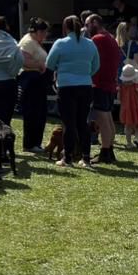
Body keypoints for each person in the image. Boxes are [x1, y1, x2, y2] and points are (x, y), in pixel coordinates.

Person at [46, 16, 99, 168]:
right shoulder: (90, 44)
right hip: (85, 85)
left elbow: (49, 63)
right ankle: (86, 158)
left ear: (65, 28)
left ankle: (68, 158)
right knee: (83, 122)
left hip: (66, 86)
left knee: (69, 124)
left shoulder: (60, 43)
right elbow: (96, 65)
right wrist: (86, 74)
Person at [86, 15, 123, 165]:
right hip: (109, 83)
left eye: (87, 24)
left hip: (100, 84)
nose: (86, 28)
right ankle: (110, 150)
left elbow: (91, 59)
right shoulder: (111, 38)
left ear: (95, 23)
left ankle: (105, 151)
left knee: (102, 118)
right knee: (107, 117)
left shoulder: (98, 39)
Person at [17, 19, 51, 154]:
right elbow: (23, 60)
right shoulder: (28, 42)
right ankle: (30, 143)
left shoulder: (35, 42)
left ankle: (35, 142)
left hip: (37, 80)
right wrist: (39, 65)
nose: (45, 35)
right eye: (43, 32)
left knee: (40, 112)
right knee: (33, 112)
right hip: (31, 80)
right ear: (37, 31)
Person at [118, 62, 138, 149]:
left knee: (127, 126)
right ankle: (137, 138)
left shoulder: (121, 87)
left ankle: (129, 143)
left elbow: (119, 98)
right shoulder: (136, 86)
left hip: (125, 109)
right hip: (135, 108)